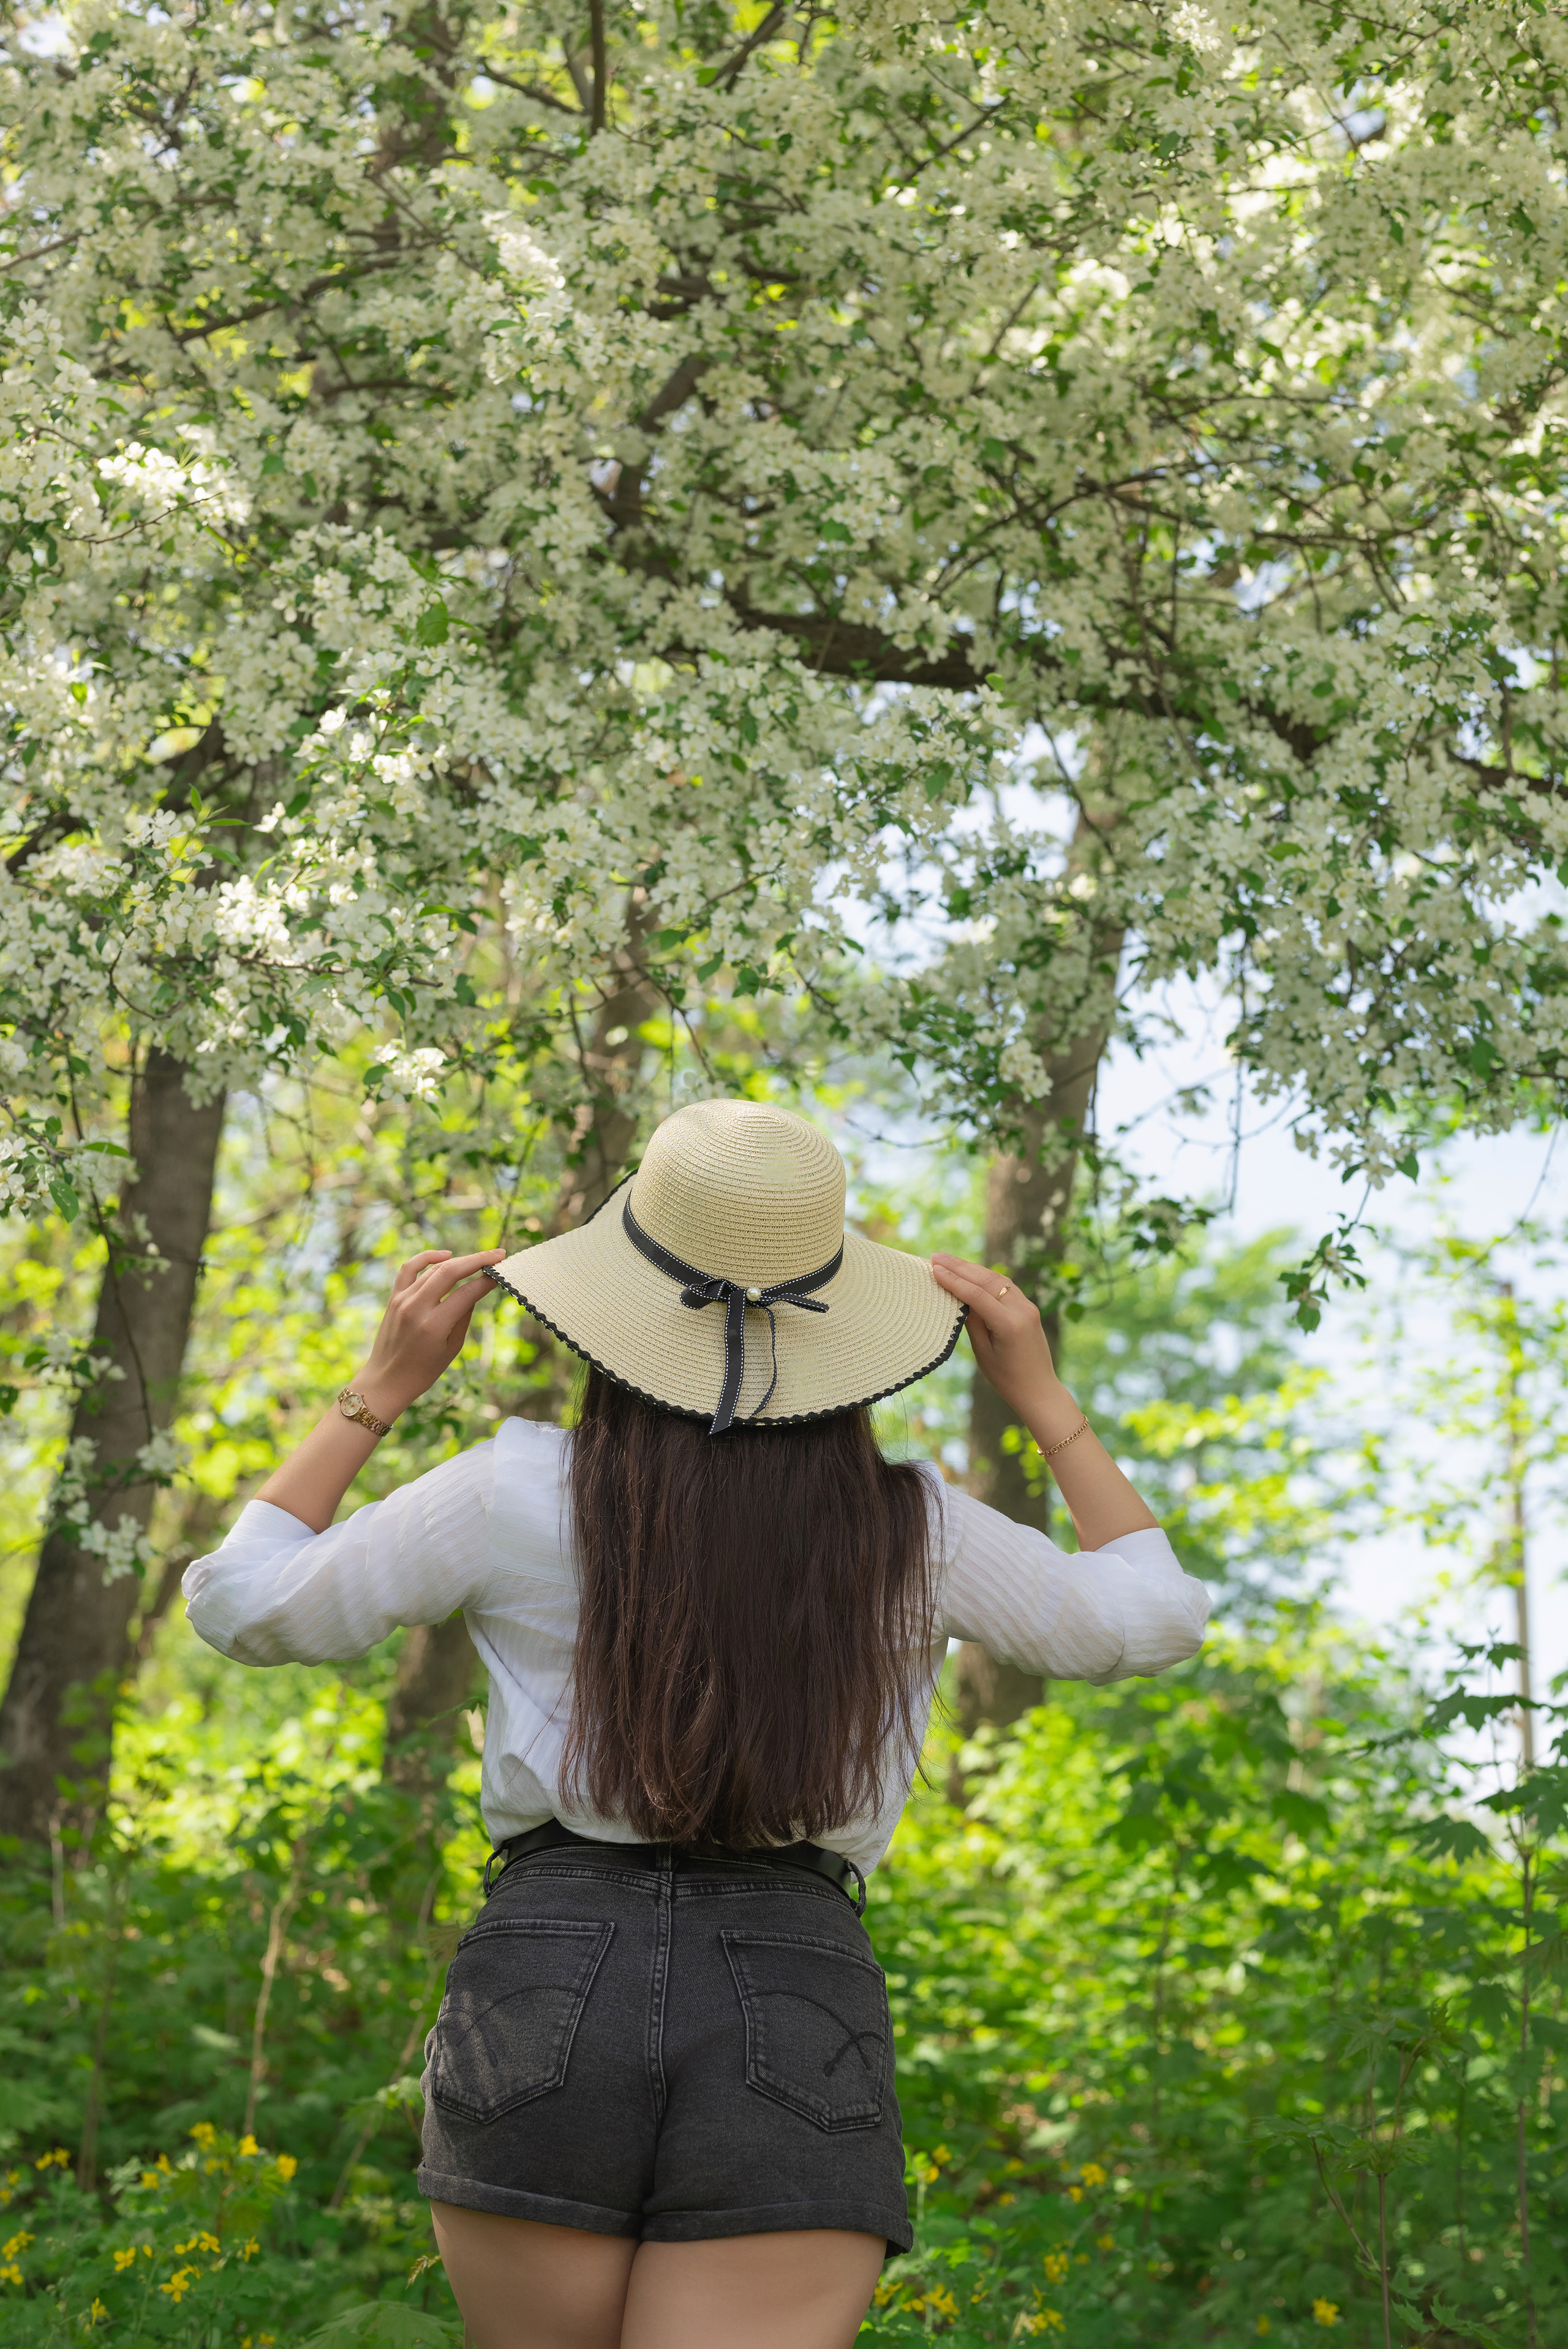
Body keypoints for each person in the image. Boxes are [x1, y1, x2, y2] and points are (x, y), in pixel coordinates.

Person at [184, 1099, 1208, 2349]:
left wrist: (381, 1388)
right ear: (845, 1333)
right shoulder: (910, 1526)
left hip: (547, 1966)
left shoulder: (516, 1489)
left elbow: (243, 1606)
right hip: (794, 1973)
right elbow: (1150, 1618)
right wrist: (1042, 1398)